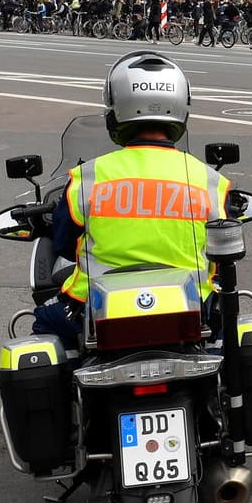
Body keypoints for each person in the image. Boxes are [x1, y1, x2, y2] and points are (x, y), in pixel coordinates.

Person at [30, 52, 229, 346]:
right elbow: (222, 251)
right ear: (180, 110)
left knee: (43, 327)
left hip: (95, 311)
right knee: (225, 335)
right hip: (192, 307)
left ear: (115, 111)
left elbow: (65, 247)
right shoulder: (210, 181)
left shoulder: (88, 177)